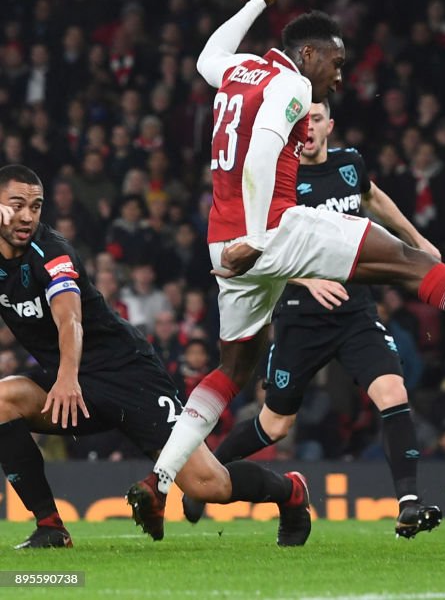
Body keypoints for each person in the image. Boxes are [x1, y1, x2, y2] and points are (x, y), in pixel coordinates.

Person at [127, 0, 445, 539]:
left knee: (231, 369)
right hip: (274, 230)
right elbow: (263, 153)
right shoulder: (290, 88)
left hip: (223, 240)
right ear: (305, 54)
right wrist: (262, 239)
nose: (336, 79)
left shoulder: (238, 71)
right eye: (334, 64)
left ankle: (158, 481)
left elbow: (206, 55)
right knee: (415, 265)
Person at [0, 165, 311, 549]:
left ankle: (291, 491)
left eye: (36, 205)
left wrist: (66, 376)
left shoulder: (51, 253)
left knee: (207, 484)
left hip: (127, 376)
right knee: (2, 400)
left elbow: (70, 320)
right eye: (17, 205)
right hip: (77, 387)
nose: (28, 215)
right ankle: (51, 527)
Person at [182, 100, 443, 537]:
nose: (308, 128)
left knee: (393, 392)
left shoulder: (349, 164)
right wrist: (307, 280)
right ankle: (206, 476)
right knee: (275, 423)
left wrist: (416, 239)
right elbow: (260, 249)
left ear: (329, 126)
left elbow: (372, 196)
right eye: (301, 121)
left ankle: (408, 504)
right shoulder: (276, 181)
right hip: (300, 318)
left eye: (316, 119)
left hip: (355, 312)